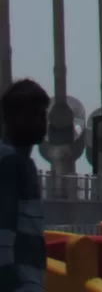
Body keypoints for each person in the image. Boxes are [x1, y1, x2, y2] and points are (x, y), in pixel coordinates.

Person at [0, 79, 49, 292]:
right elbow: (3, 232)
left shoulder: (23, 163)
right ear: (11, 118)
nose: (41, 122)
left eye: (42, 114)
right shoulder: (11, 163)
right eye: (33, 115)